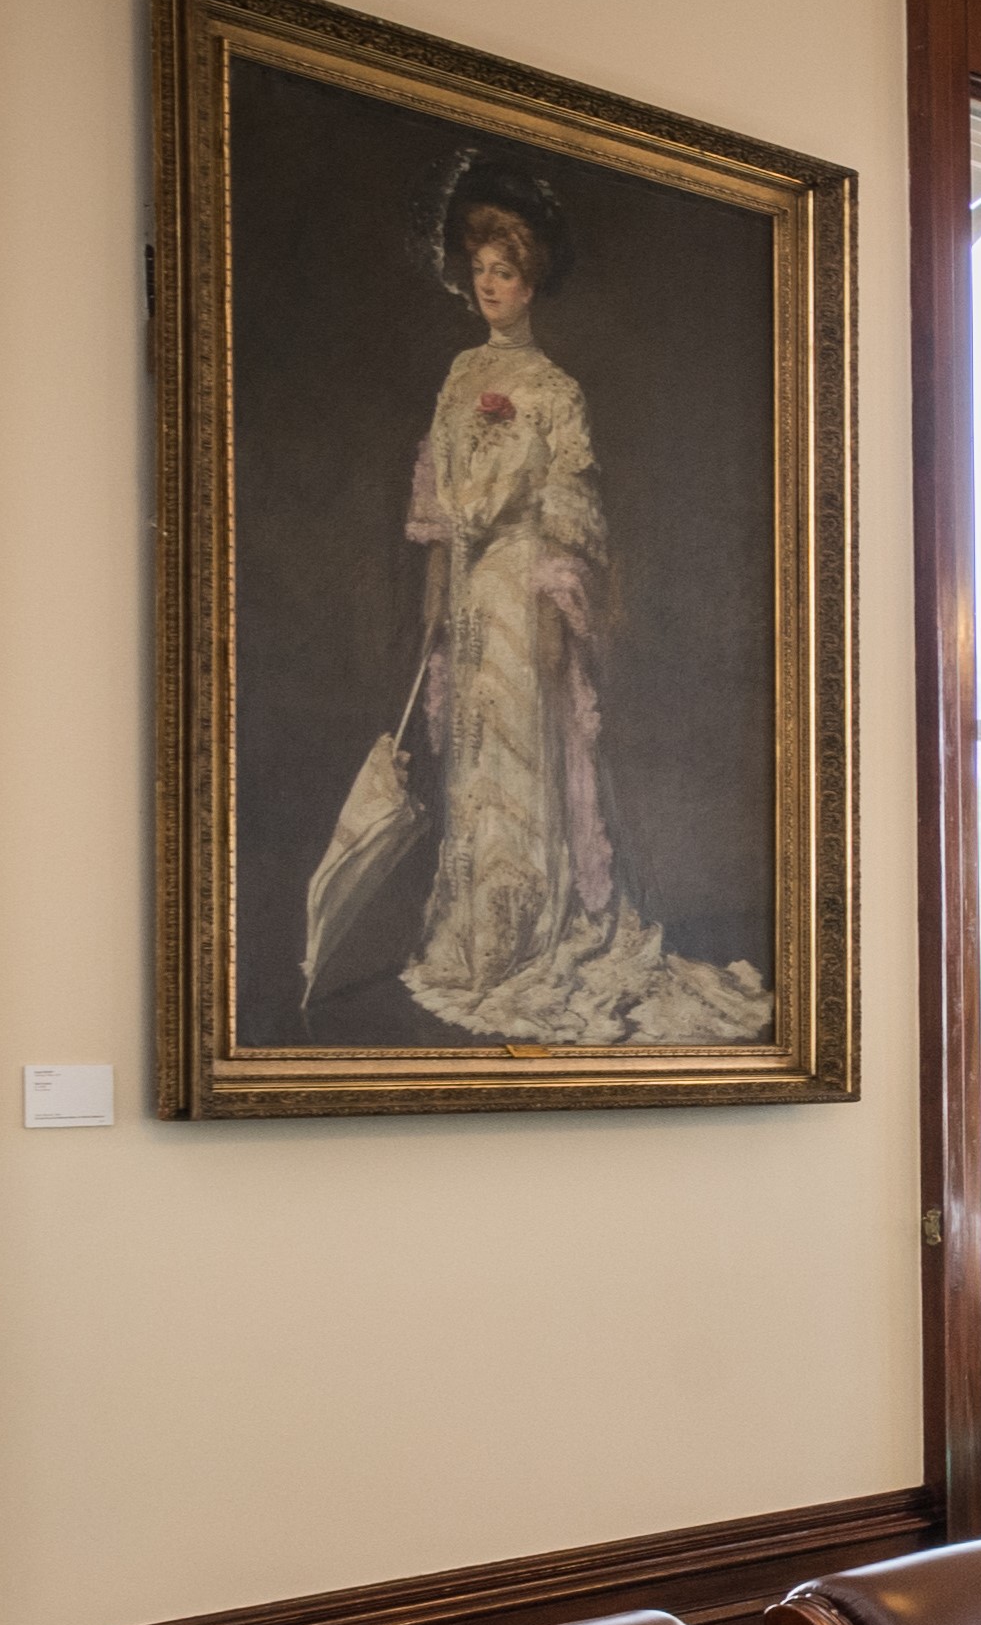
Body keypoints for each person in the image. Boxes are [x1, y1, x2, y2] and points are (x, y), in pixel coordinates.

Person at [295, 149, 771, 1044]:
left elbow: (570, 505)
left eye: (503, 272)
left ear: (530, 281)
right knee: (471, 763)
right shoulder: (457, 377)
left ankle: (536, 937)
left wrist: (555, 610)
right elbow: (437, 496)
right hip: (473, 597)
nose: (489, 286)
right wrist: (438, 588)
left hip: (522, 590)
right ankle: (478, 942)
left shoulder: (555, 390)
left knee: (529, 761)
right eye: (478, 271)